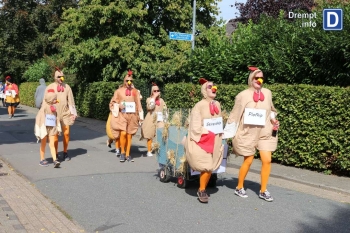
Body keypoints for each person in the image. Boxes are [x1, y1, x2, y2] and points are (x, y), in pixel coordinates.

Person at [223, 66, 280, 202]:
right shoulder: (242, 95)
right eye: (256, 78)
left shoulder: (267, 93)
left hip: (265, 131)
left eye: (261, 78)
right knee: (248, 160)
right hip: (248, 132)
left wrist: (273, 119)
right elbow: (235, 115)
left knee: (267, 160)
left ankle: (263, 190)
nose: (259, 80)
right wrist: (226, 134)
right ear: (251, 78)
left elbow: (271, 110)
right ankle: (239, 186)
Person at [185, 78, 223, 203]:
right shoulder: (199, 105)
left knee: (211, 167)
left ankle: (203, 187)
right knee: (206, 166)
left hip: (214, 140)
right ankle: (201, 190)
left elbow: (219, 121)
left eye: (214, 86)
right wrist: (208, 131)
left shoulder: (217, 104)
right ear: (204, 90)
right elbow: (195, 126)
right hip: (202, 141)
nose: (213, 88)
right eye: (209, 87)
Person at [109, 70, 143, 162]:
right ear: (124, 81)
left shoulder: (135, 92)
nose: (129, 82)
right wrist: (119, 106)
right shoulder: (118, 91)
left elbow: (138, 104)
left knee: (129, 135)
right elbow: (112, 103)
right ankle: (122, 152)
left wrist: (140, 116)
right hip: (122, 115)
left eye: (131, 81)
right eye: (127, 80)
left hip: (132, 116)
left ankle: (128, 154)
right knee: (123, 133)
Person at [46, 68, 77, 161]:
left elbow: (71, 101)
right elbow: (46, 101)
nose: (61, 78)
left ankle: (65, 152)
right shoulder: (50, 87)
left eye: (62, 76)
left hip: (65, 113)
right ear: (55, 77)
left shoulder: (67, 87)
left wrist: (73, 113)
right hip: (54, 114)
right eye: (59, 77)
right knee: (55, 136)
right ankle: (55, 153)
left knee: (66, 133)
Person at [34, 89, 61, 168]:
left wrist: (58, 128)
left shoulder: (54, 108)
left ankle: (55, 160)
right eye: (54, 99)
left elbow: (57, 118)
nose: (56, 100)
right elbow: (39, 118)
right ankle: (42, 159)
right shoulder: (44, 108)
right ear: (50, 99)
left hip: (52, 128)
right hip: (44, 128)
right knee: (43, 144)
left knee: (52, 144)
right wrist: (39, 129)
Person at [141, 83, 167, 157]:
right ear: (152, 92)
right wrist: (154, 98)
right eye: (154, 91)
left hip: (160, 119)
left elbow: (164, 109)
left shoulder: (161, 100)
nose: (156, 92)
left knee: (161, 133)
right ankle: (149, 150)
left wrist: (165, 118)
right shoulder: (149, 99)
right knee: (150, 135)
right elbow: (150, 107)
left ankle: (159, 149)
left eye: (157, 90)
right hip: (151, 118)